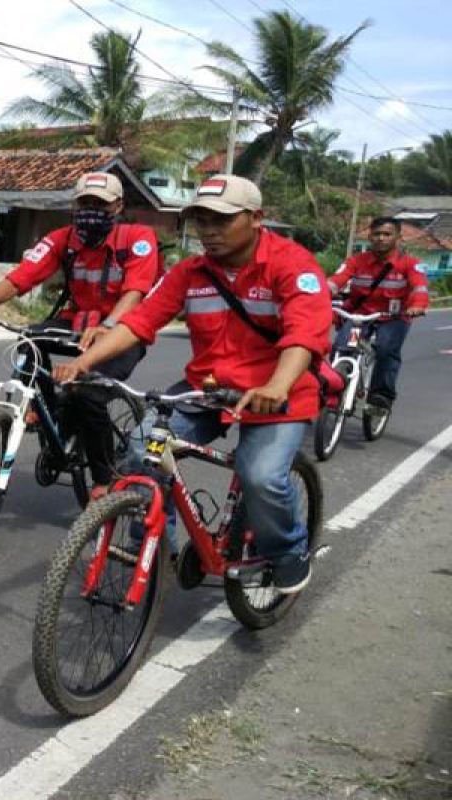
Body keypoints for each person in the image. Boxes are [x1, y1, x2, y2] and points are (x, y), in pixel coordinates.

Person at [53, 175, 331, 593]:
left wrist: (277, 385)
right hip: (208, 387)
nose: (209, 231)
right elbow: (140, 321)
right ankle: (154, 547)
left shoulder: (292, 265)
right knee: (142, 450)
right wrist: (84, 362)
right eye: (201, 220)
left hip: (277, 393)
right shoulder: (190, 272)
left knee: (260, 476)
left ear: (256, 218)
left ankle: (289, 552)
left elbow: (303, 334)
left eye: (221, 220)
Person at [0, 172, 161, 493]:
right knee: (30, 338)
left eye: (99, 204)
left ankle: (103, 480)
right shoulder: (62, 239)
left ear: (117, 206)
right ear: (75, 206)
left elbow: (135, 292)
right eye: (84, 203)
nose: (90, 210)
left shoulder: (138, 238)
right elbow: (20, 279)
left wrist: (108, 326)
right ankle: (45, 407)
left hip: (123, 330)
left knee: (88, 393)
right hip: (77, 323)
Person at [328, 216, 429, 411]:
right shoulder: (356, 261)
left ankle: (381, 395)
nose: (381, 238)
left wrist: (417, 305)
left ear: (398, 238)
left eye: (387, 234)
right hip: (360, 315)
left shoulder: (410, 264)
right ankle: (337, 389)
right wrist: (318, 295)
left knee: (385, 350)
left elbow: (419, 287)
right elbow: (335, 281)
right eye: (377, 234)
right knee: (341, 347)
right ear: (369, 237)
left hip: (394, 317)